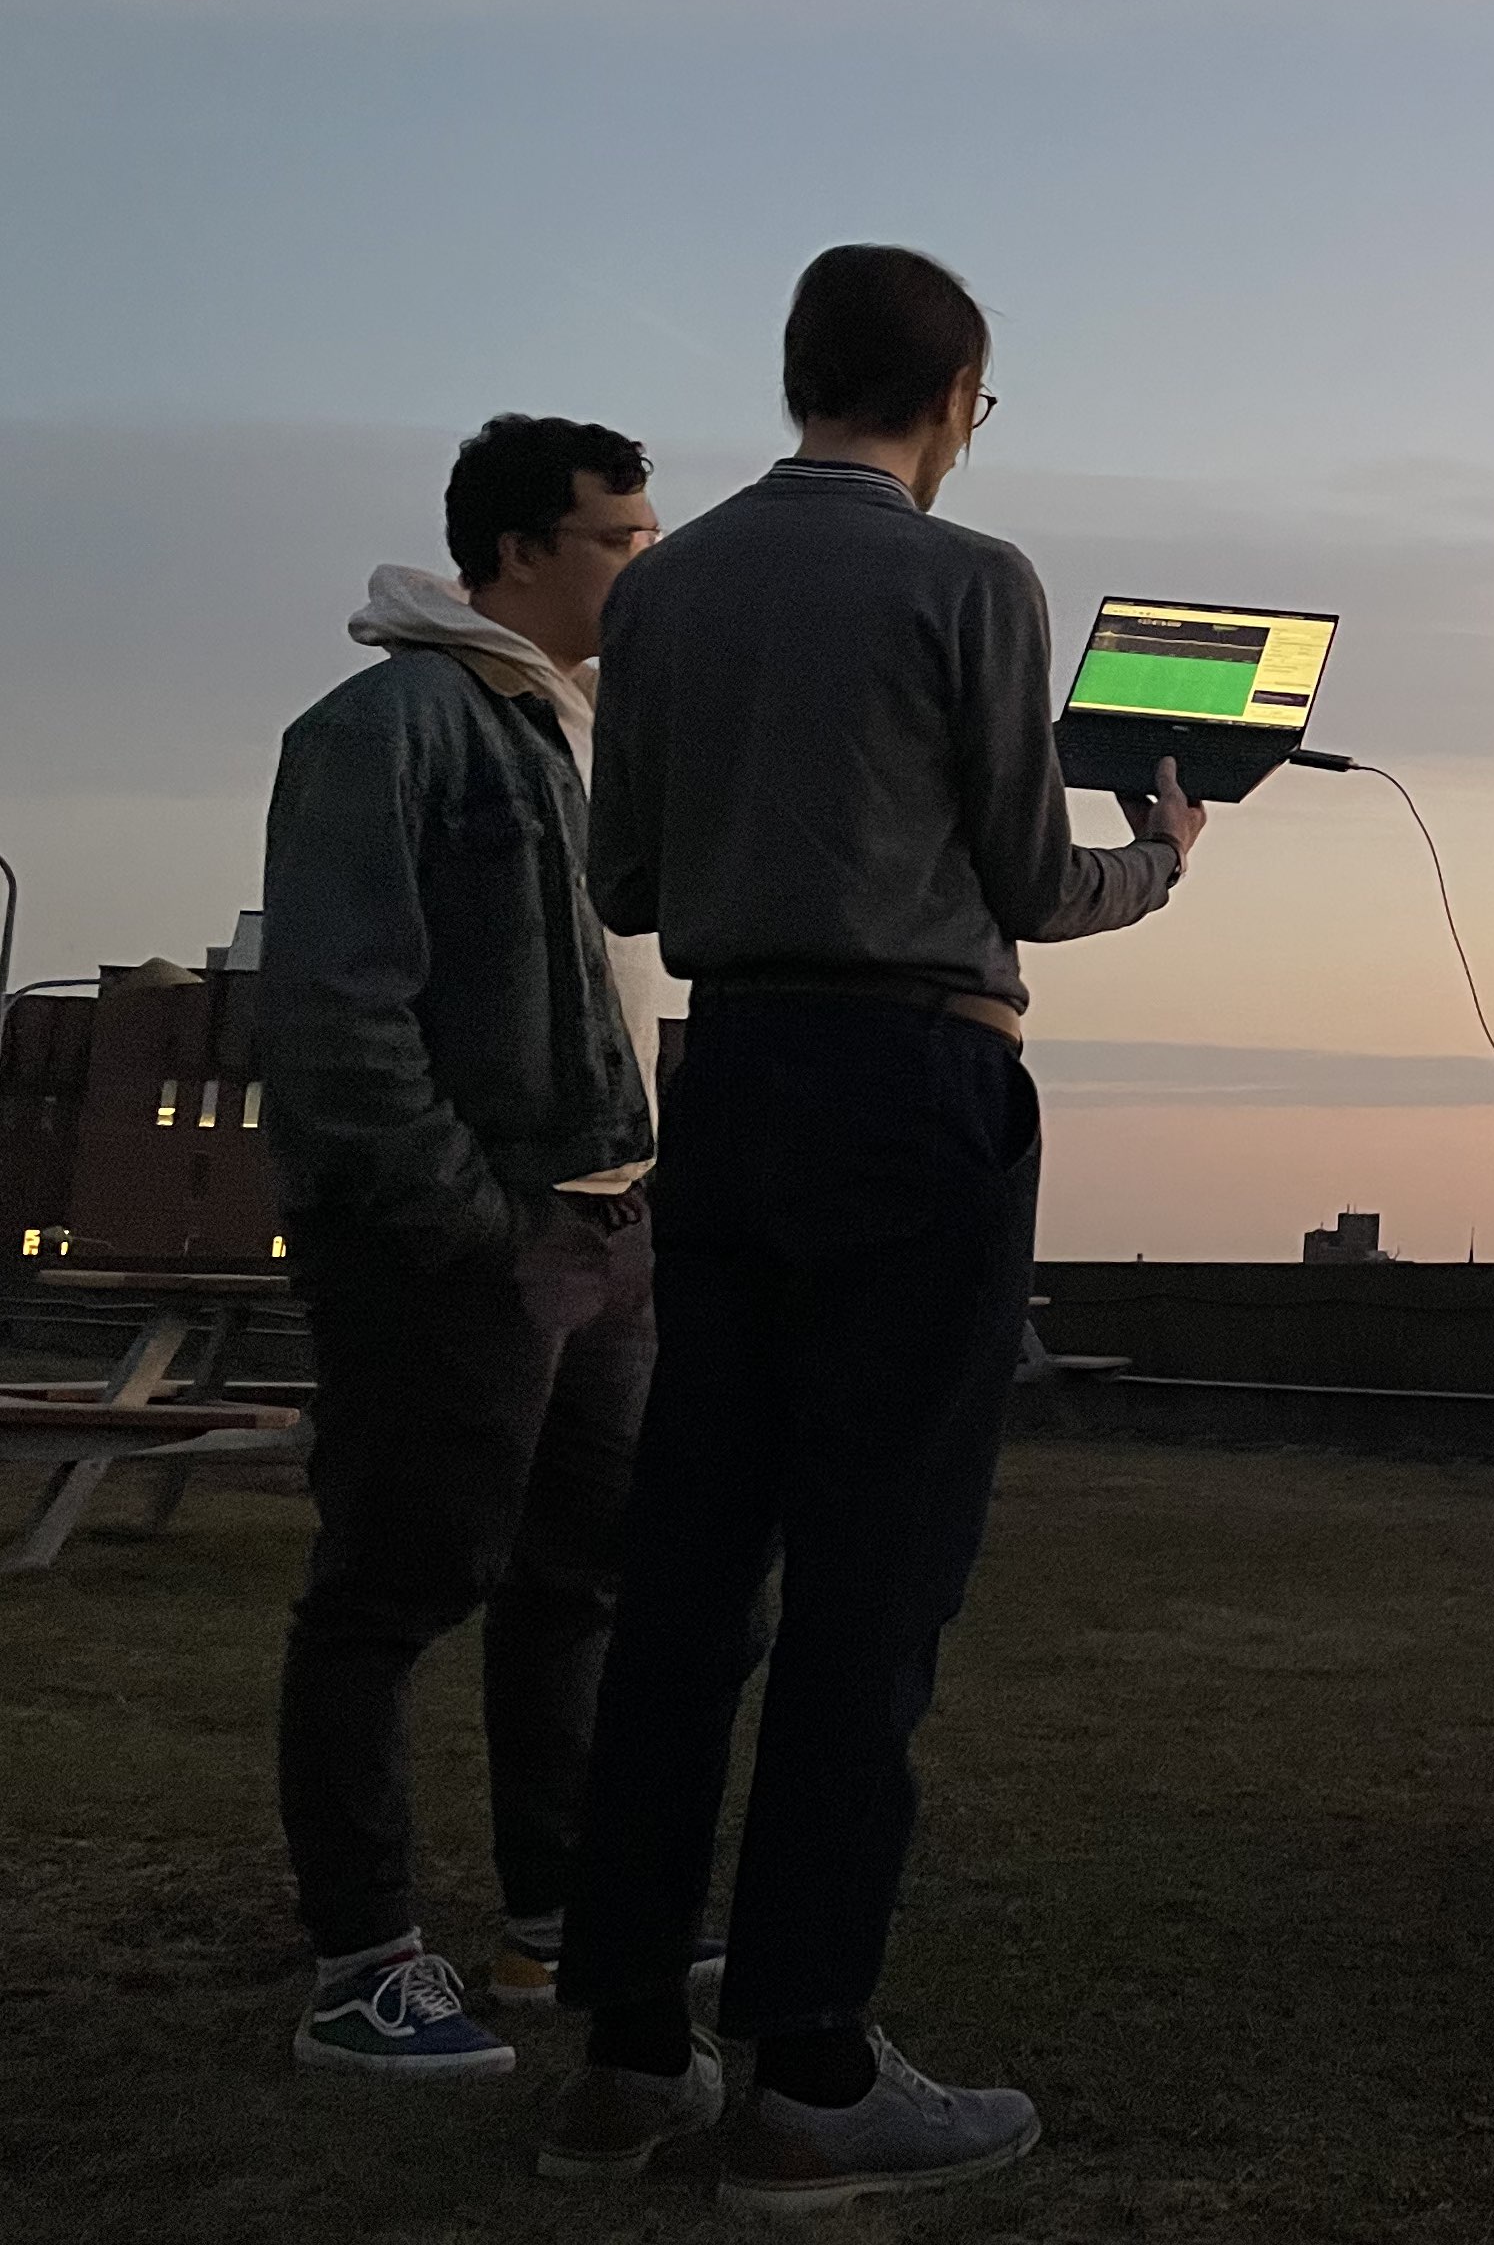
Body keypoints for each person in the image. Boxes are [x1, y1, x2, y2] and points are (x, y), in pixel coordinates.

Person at [540, 246, 1200, 2208]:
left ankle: (628, 2051)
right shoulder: (971, 581)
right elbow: (1023, 871)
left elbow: (631, 877)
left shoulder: (663, 590)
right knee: (868, 1583)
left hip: (726, 1085)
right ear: (960, 398)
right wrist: (1156, 861)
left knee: (686, 1571)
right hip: (913, 1095)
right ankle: (812, 2072)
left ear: (797, 376)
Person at [262, 414, 672, 2077]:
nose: (647, 568)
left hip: (606, 1223)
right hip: (470, 1243)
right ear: (518, 552)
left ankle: (551, 1923)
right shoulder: (384, 728)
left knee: (574, 1585)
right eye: (619, 542)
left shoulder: (578, 725)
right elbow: (341, 1018)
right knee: (393, 1590)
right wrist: (469, 1221)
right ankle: (364, 1960)